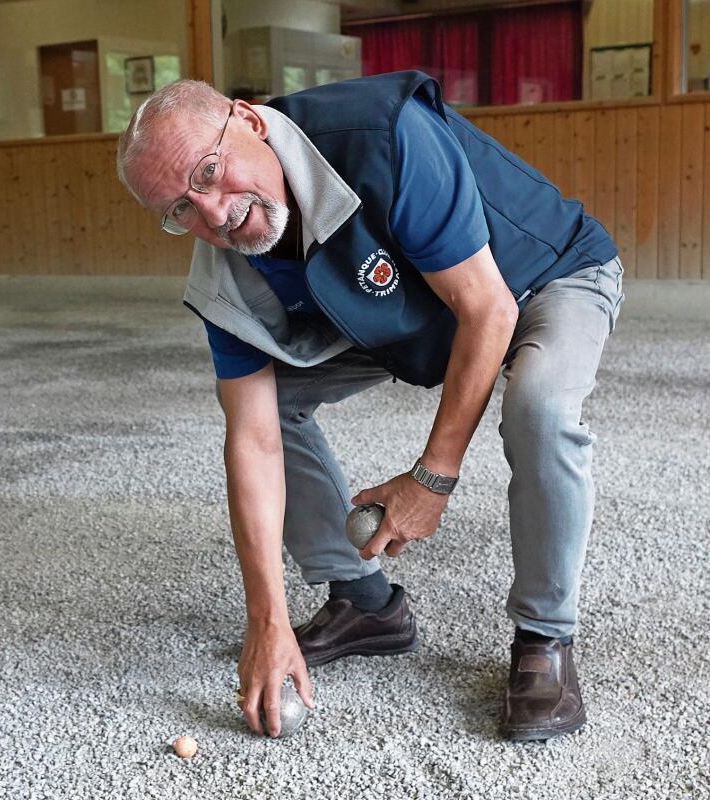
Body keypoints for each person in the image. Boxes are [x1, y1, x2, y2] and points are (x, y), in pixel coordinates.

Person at [116, 71, 624, 741]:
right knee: (270, 406)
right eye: (180, 209)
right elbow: (252, 440)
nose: (211, 213)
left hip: (541, 277)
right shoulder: (227, 274)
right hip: (411, 317)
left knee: (539, 407)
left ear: (250, 121)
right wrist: (264, 620)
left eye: (209, 172)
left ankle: (544, 638)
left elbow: (486, 308)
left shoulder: (380, 137)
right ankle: (363, 601)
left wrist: (430, 479)